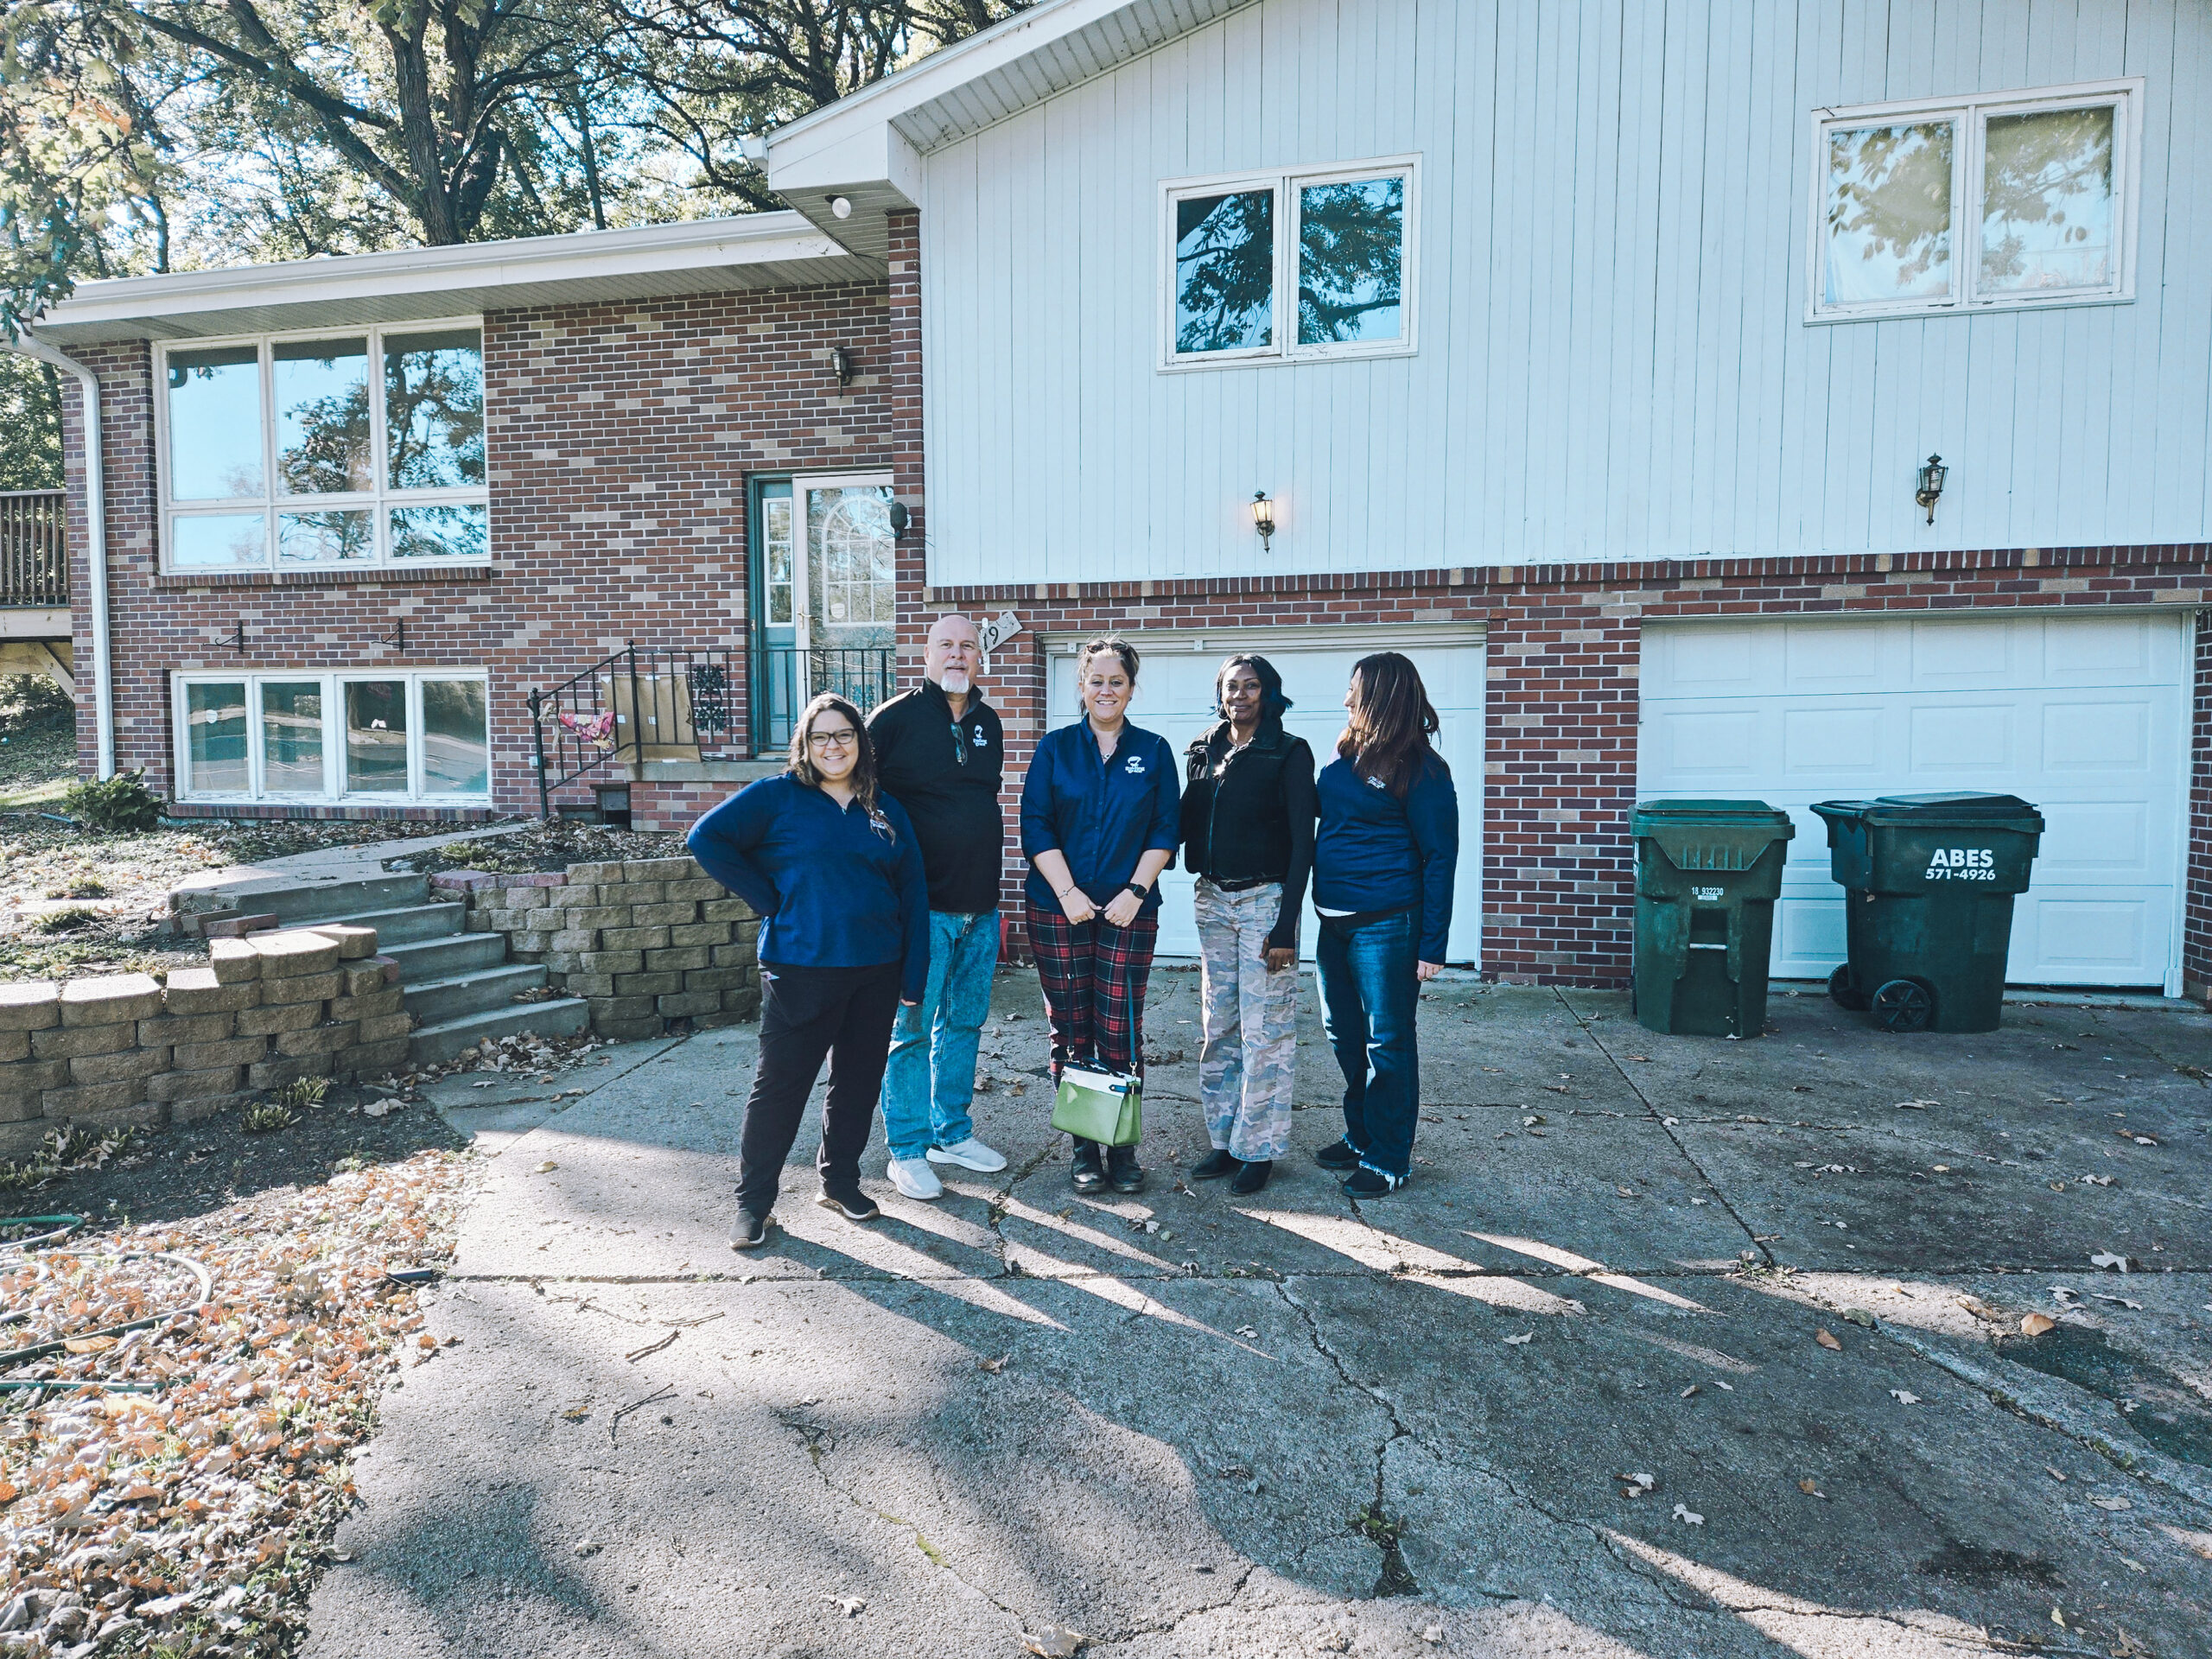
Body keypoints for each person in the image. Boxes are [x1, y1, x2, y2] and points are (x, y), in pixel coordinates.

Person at [688, 693, 928, 1248]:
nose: (832, 746)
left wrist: (913, 976)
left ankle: (840, 1183)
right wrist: (770, 901)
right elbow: (706, 838)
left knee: (858, 1083)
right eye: (820, 736)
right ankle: (753, 1205)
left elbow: (913, 891)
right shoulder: (777, 797)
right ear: (805, 743)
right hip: (800, 967)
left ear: (860, 742)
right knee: (780, 1088)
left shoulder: (885, 808)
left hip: (877, 968)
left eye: (843, 734)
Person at [1020, 636, 1179, 1195]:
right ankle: (1085, 1146)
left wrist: (1136, 890)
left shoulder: (1153, 751)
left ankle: (1122, 1147)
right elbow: (1035, 824)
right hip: (1057, 909)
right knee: (1072, 1030)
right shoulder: (1055, 749)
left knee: (1119, 1029)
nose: (1106, 690)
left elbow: (1166, 827)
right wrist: (1066, 891)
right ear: (1082, 687)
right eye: (1097, 681)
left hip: (1129, 912)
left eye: (1117, 681)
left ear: (1131, 689)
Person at [867, 613, 1010, 1200]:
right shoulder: (892, 721)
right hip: (920, 911)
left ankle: (951, 1132)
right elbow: (856, 801)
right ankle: (906, 1148)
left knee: (965, 1024)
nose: (957, 655)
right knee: (910, 1030)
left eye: (967, 646)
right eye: (945, 645)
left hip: (981, 907)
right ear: (925, 656)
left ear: (979, 657)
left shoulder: (987, 721)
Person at [1309, 652, 1459, 1198]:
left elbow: (1440, 857)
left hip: (1388, 924)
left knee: (1388, 1043)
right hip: (1333, 923)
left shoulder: (1423, 770)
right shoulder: (1345, 753)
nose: (1346, 700)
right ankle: (1362, 1134)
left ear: (1381, 696)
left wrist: (1432, 944)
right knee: (1344, 1035)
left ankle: (1390, 1157)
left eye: (1355, 691)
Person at [1179, 654, 1315, 1196]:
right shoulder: (1203, 748)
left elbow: (1304, 843)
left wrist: (1286, 927)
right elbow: (1182, 818)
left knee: (1266, 1032)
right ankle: (1223, 1139)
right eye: (1231, 686)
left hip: (1265, 902)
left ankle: (1258, 1149)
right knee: (1220, 1025)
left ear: (1268, 692)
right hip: (1212, 899)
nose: (1239, 695)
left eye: (1251, 686)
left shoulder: (1289, 752)